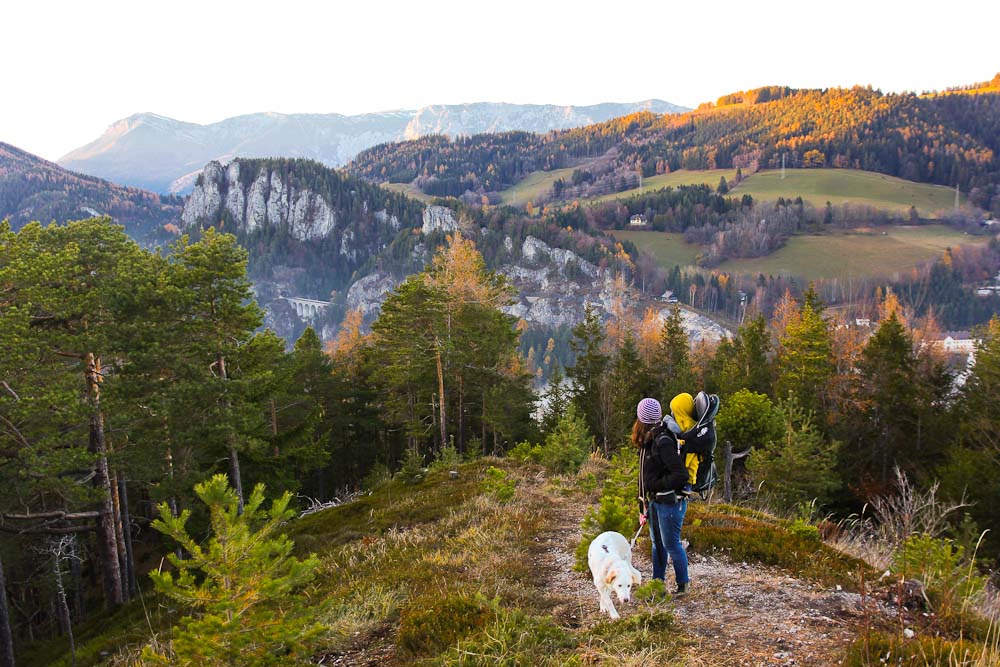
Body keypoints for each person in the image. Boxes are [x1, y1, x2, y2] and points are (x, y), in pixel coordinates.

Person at [634, 397, 691, 596]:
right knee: (658, 544)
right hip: (657, 502)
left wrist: (657, 486)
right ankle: (657, 585)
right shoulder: (651, 439)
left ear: (643, 419)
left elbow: (680, 475)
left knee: (671, 544)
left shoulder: (663, 441)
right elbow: (646, 474)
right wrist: (645, 500)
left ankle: (683, 586)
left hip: (670, 503)